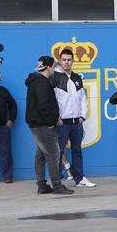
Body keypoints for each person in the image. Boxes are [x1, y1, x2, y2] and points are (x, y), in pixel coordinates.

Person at [25, 56, 72, 195]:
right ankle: (57, 185)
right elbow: (43, 107)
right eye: (54, 66)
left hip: (37, 124)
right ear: (49, 67)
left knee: (41, 155)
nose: (55, 69)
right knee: (53, 154)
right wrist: (53, 120)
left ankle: (42, 185)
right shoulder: (41, 83)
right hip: (44, 125)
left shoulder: (36, 81)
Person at [52, 47, 96, 188]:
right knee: (58, 152)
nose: (67, 62)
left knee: (77, 151)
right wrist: (55, 117)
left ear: (73, 61)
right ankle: (56, 182)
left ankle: (80, 179)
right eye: (64, 60)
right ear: (60, 61)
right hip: (62, 123)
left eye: (69, 60)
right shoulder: (55, 78)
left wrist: (82, 116)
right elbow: (51, 100)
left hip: (77, 122)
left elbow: (83, 98)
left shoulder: (77, 78)